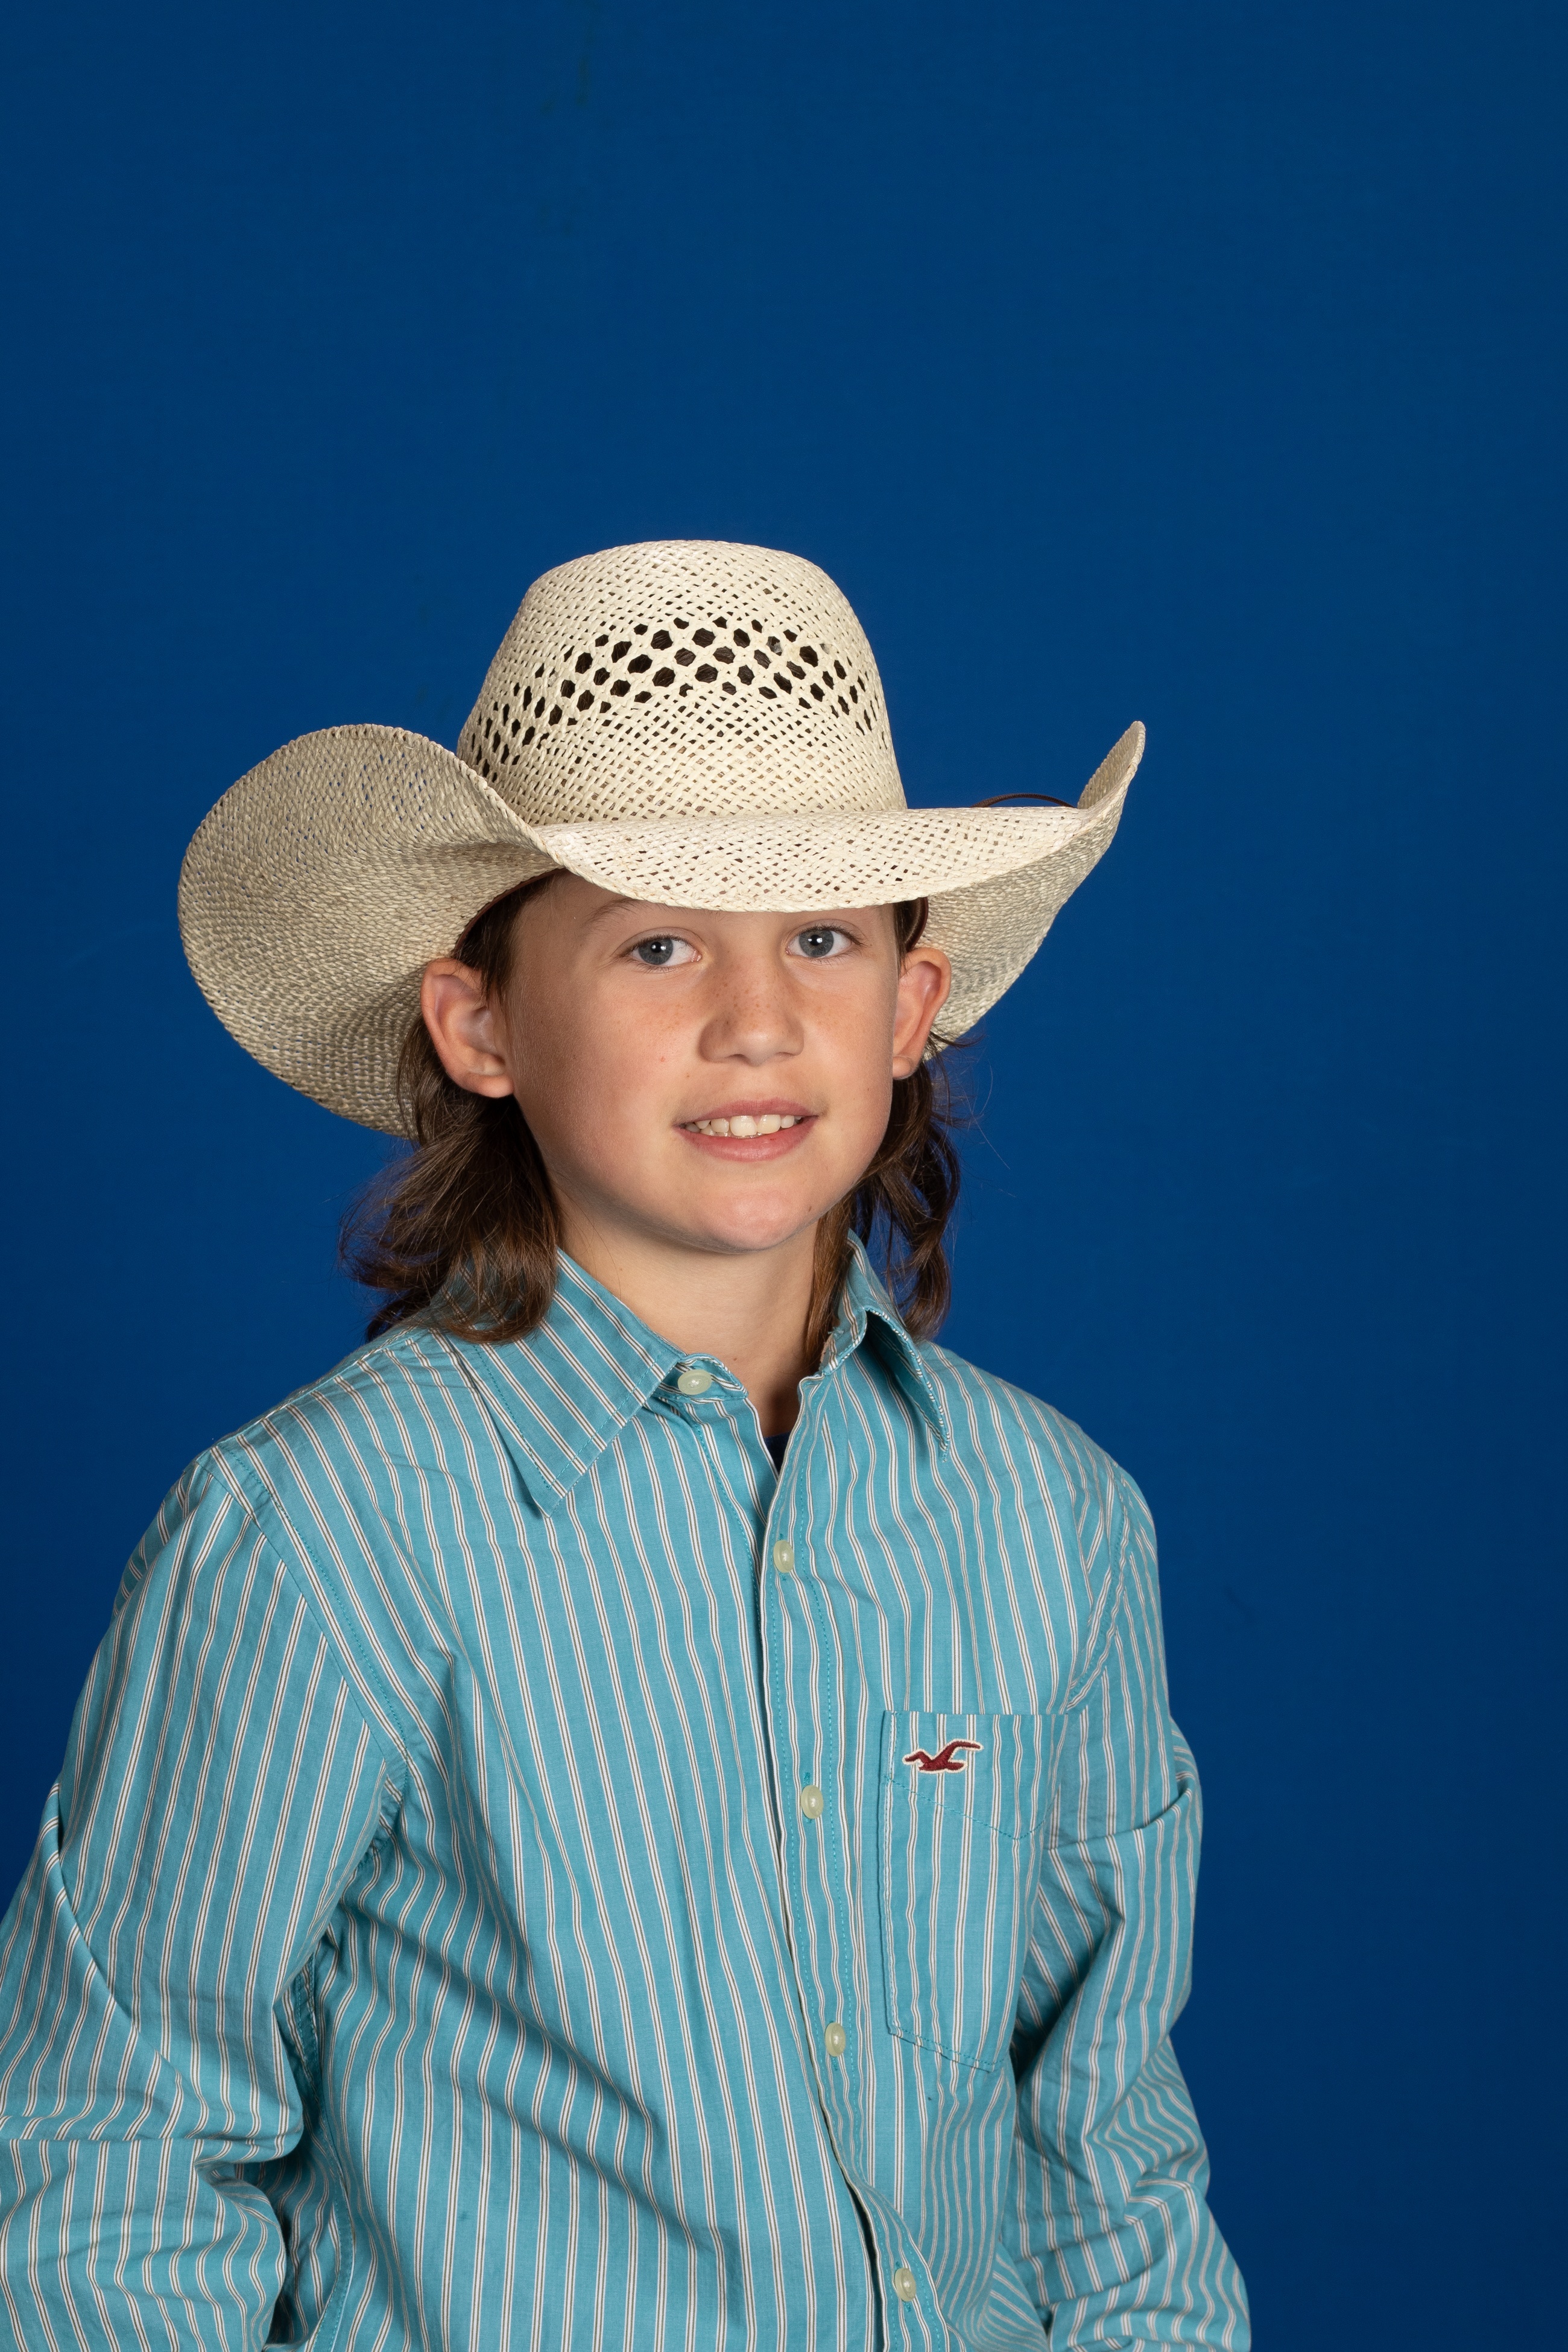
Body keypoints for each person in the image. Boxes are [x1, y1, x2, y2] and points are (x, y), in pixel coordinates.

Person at [0, 542, 1249, 2349]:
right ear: (481, 1023)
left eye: (822, 939)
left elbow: (1106, 2153)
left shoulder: (1052, 1522)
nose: (758, 1022)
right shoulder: (321, 1532)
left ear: (912, 1008)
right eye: (659, 943)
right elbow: (110, 2161)